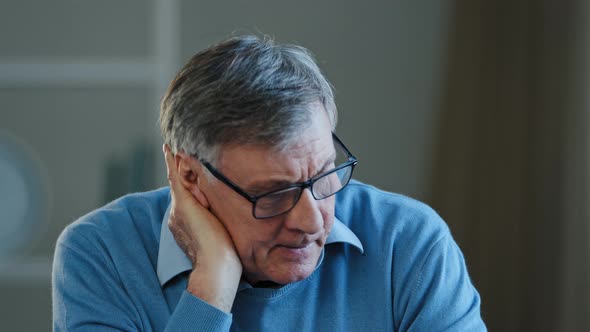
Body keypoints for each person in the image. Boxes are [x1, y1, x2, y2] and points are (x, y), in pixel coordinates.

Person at [52, 35, 486, 331]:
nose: (311, 220)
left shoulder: (409, 243)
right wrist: (210, 291)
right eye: (273, 193)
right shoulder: (101, 254)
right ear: (189, 176)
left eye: (324, 175)